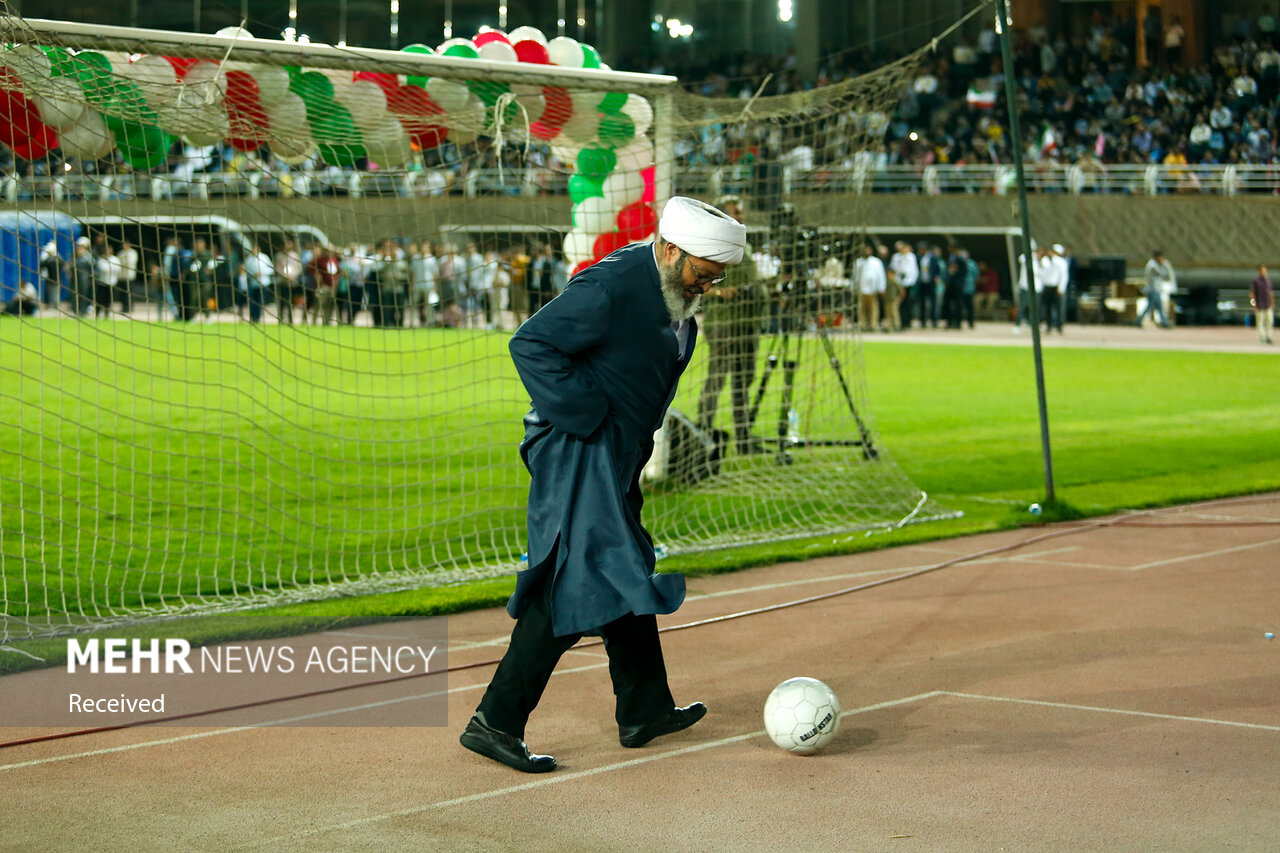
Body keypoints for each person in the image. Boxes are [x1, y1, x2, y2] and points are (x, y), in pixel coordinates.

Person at [460, 196, 748, 773]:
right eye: (702, 275)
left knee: (623, 567)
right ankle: (495, 721)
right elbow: (531, 343)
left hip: (615, 455)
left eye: (715, 280)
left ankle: (644, 709)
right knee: (574, 575)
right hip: (580, 449)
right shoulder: (613, 284)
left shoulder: (670, 287)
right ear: (670, 251)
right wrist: (588, 415)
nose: (706, 289)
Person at [696, 194, 766, 456]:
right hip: (724, 324)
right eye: (736, 212)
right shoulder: (710, 246)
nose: (742, 216)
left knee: (742, 382)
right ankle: (701, 431)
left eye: (742, 212)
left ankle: (744, 437)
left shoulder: (742, 248)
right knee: (717, 379)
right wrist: (719, 292)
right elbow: (695, 282)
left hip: (747, 323)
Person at [1136, 249, 1174, 328]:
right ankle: (1164, 322)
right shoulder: (1152, 265)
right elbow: (1161, 276)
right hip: (1152, 290)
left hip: (1154, 289)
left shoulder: (1155, 265)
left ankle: (1138, 320)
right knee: (1159, 307)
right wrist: (1166, 266)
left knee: (1149, 307)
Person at [1251, 264, 1274, 344]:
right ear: (1259, 271)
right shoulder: (1256, 281)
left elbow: (1271, 293)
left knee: (1270, 320)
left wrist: (1272, 303)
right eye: (1263, 270)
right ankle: (1262, 336)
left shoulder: (1268, 280)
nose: (1264, 272)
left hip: (1267, 304)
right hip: (1259, 304)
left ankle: (1269, 336)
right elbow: (1252, 294)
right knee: (1260, 322)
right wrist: (1253, 304)